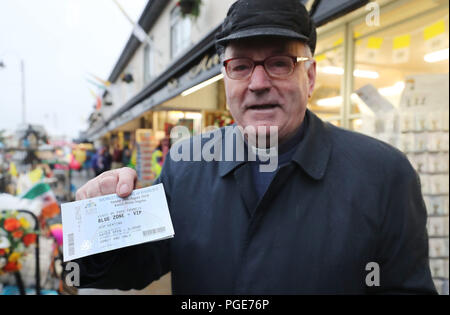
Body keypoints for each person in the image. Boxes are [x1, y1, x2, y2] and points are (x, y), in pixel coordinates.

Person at [73, 0, 436, 294]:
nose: (258, 83)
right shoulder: (184, 165)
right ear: (226, 79)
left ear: (309, 77)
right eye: (241, 66)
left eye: (280, 63)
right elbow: (130, 271)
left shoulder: (384, 174)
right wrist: (100, 221)